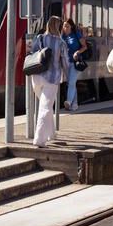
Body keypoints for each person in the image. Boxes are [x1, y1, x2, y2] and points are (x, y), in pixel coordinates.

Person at [28, 16, 69, 147]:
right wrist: (67, 76)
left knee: (46, 105)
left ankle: (51, 134)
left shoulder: (39, 38)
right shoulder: (61, 43)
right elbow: (66, 63)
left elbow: (32, 53)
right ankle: (39, 139)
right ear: (58, 26)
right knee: (45, 108)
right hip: (52, 78)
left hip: (36, 76)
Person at [61, 19, 88, 111]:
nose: (65, 28)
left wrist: (77, 51)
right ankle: (75, 104)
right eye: (64, 26)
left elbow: (85, 46)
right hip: (65, 62)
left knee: (72, 82)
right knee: (71, 83)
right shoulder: (62, 36)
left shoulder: (76, 34)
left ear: (71, 27)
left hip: (75, 62)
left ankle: (68, 101)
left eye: (67, 26)